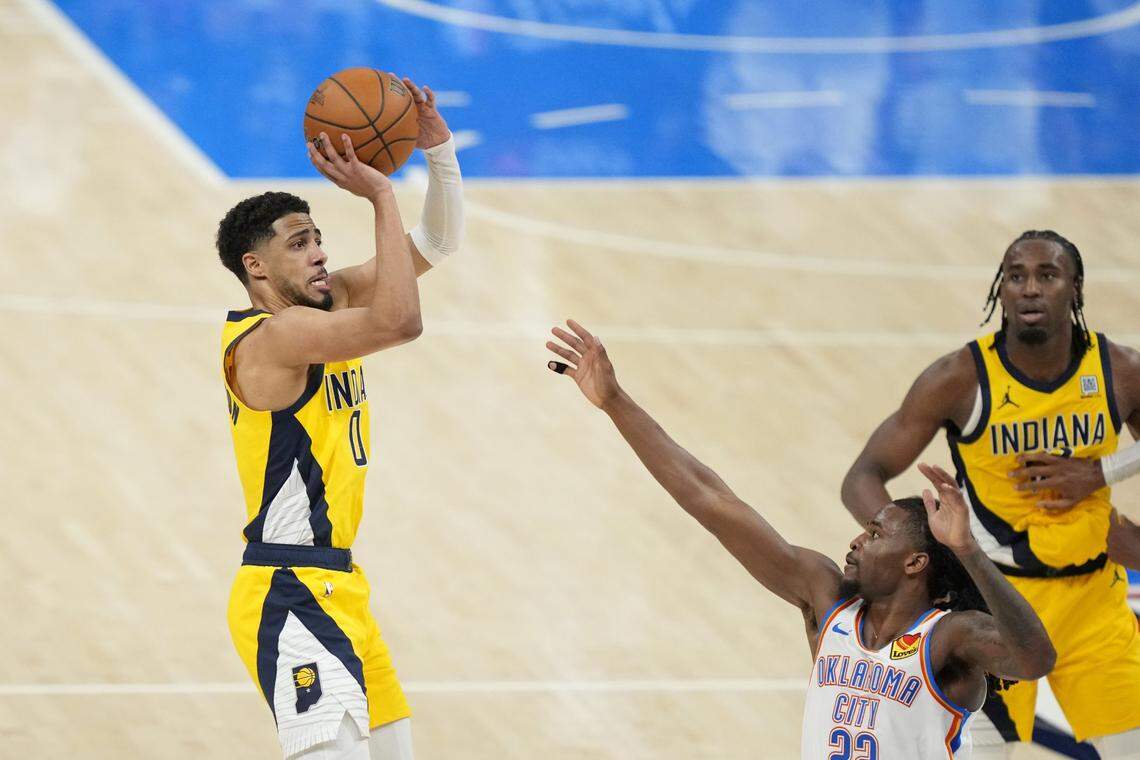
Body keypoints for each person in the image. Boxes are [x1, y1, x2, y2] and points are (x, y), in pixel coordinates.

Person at [545, 319, 1054, 758]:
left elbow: (1035, 660)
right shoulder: (826, 599)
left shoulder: (949, 637)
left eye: (875, 533)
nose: (856, 542)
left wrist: (968, 550)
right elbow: (711, 500)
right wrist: (615, 402)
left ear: (916, 562)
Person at [216, 79, 463, 760]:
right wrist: (383, 192)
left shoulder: (333, 302)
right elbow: (401, 321)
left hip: (342, 587)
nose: (321, 252)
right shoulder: (274, 338)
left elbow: (439, 241)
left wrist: (437, 150)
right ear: (256, 267)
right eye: (300, 244)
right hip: (287, 590)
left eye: (320, 238)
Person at [842, 231, 1140, 757]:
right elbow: (863, 476)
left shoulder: (1118, 370)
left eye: (1047, 275)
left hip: (1095, 600)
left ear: (1075, 288)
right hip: (997, 604)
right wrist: (932, 555)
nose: (1029, 288)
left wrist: (1103, 472)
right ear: (1000, 290)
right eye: (1016, 275)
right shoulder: (958, 379)